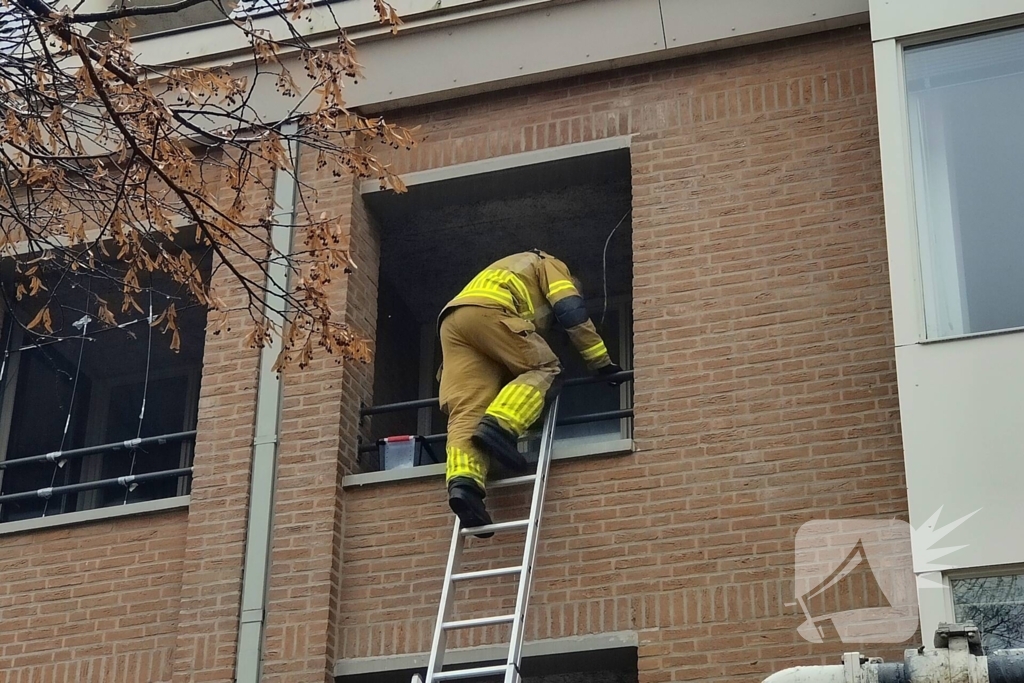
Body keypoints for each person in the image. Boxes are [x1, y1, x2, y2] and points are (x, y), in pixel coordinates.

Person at [437, 250, 623, 536]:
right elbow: (570, 309)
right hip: (492, 310)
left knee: (468, 409)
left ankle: (465, 486)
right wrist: (600, 362)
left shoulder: (505, 270)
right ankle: (500, 427)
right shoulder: (551, 264)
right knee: (546, 368)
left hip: (452, 322)